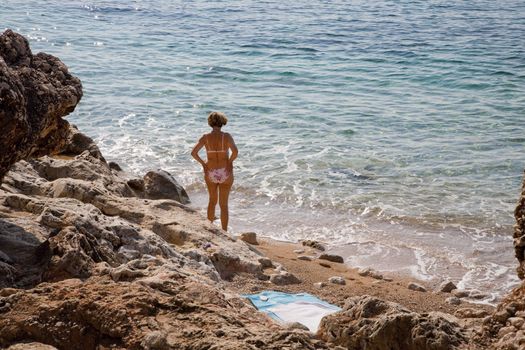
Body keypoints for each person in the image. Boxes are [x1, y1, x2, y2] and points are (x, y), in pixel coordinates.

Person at [191, 111, 238, 231]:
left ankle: (210, 231)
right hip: (225, 172)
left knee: (212, 201)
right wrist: (229, 163)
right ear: (222, 122)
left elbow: (194, 153)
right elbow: (235, 152)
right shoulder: (226, 136)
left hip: (211, 171)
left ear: (210, 123)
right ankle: (224, 231)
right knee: (224, 205)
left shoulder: (206, 137)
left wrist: (204, 165)